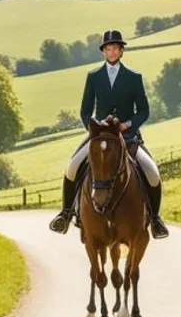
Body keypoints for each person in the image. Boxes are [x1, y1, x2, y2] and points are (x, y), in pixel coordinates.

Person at [49, 30, 169, 239]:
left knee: (152, 173)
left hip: (128, 136)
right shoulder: (93, 76)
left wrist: (128, 124)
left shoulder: (134, 77)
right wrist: (94, 128)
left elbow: (144, 110)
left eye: (115, 48)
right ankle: (66, 214)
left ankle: (156, 219)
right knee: (72, 168)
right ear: (103, 52)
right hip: (99, 136)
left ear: (121, 52)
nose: (111, 52)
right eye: (108, 49)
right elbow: (85, 111)